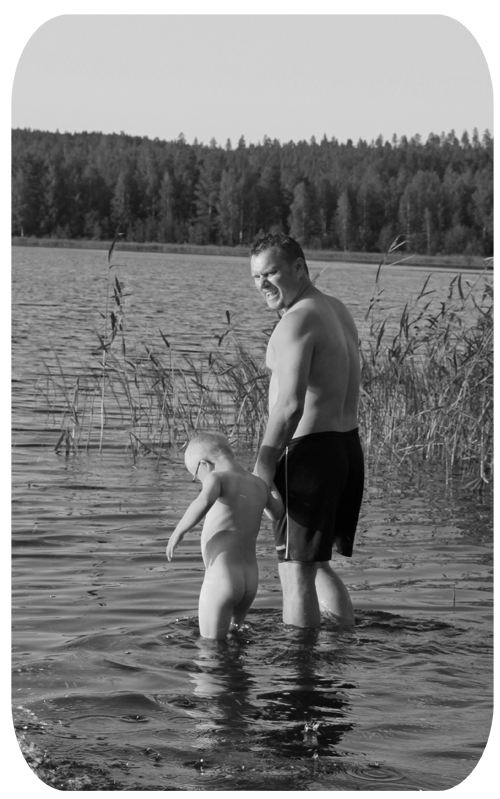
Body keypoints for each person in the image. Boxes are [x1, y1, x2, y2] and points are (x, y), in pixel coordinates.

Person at [250, 232, 364, 629]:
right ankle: (341, 643)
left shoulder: (296, 321)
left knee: (294, 571)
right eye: (256, 277)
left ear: (299, 267)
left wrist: (263, 466)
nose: (263, 284)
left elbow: (290, 406)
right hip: (344, 448)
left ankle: (298, 665)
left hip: (310, 457)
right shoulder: (335, 309)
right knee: (314, 564)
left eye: (271, 273)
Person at [166, 432, 284, 640]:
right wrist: (271, 486)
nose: (200, 481)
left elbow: (203, 502)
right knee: (235, 636)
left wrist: (178, 531)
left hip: (222, 577)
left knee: (210, 646)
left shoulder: (217, 477)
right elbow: (277, 514)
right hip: (250, 581)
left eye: (196, 476)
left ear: (204, 464)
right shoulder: (258, 484)